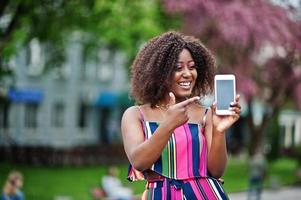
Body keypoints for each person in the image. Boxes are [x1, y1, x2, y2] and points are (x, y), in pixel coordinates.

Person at [121, 31, 241, 199]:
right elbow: (139, 162)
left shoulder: (206, 114)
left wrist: (219, 131)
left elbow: (216, 170)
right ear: (159, 73)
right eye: (178, 68)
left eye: (192, 67)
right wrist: (169, 125)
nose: (187, 74)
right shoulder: (135, 115)